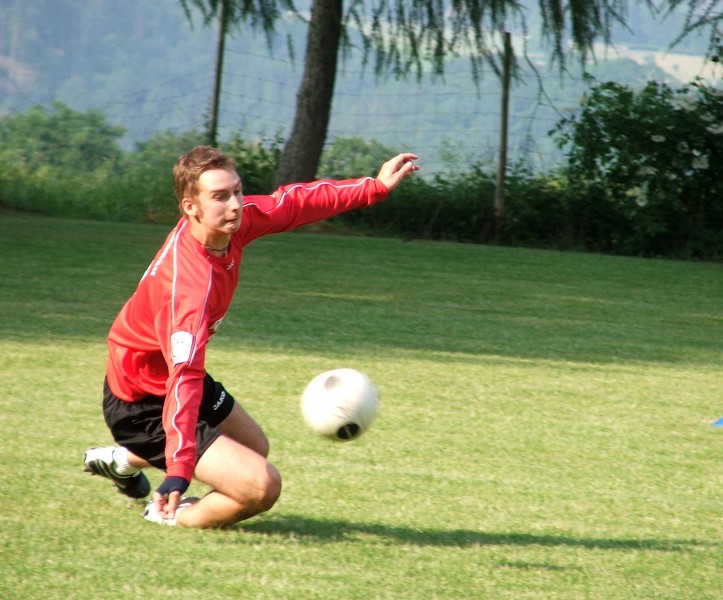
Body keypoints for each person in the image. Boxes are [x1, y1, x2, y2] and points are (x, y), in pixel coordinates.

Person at [84, 146, 419, 528]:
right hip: (142, 402)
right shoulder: (188, 290)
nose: (235, 204)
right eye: (220, 196)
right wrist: (179, 470)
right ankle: (169, 516)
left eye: (237, 191)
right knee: (261, 486)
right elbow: (185, 379)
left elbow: (293, 203)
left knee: (254, 448)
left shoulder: (231, 224)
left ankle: (119, 462)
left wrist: (373, 187)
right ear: (190, 207)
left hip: (162, 378)